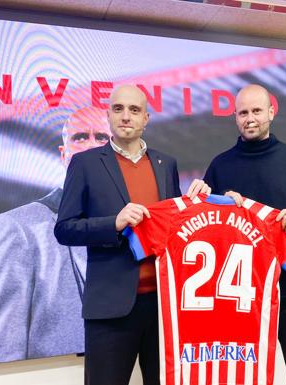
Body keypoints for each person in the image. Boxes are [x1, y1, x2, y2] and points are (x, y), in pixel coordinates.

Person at [54, 84, 210, 385]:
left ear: (146, 118)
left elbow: (175, 227)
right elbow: (64, 228)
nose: (126, 116)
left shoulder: (166, 164)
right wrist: (114, 222)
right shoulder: (84, 163)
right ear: (108, 116)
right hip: (111, 310)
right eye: (118, 109)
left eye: (134, 110)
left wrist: (197, 201)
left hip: (165, 309)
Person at [204, 84, 286, 385]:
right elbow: (205, 228)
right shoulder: (219, 167)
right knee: (240, 378)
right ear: (235, 118)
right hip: (240, 295)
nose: (249, 118)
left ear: (271, 112)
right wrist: (223, 207)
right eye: (242, 113)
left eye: (256, 111)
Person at [0, 107, 111, 365]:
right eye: (80, 137)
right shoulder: (17, 227)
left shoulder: (136, 226)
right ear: (63, 155)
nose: (92, 145)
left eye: (102, 137)